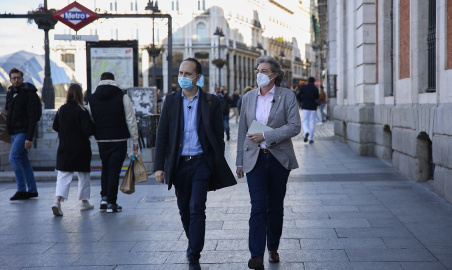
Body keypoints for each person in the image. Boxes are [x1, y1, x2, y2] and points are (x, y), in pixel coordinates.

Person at [154, 58, 236, 270]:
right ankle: (194, 243)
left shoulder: (211, 101)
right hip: (179, 164)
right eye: (180, 73)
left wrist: (213, 163)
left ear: (198, 78)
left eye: (188, 74)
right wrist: (159, 167)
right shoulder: (170, 101)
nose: (182, 77)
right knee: (184, 209)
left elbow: (218, 136)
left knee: (197, 207)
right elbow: (162, 135)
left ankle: (194, 254)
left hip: (201, 162)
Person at [236, 56, 301, 270]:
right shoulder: (248, 97)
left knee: (275, 207)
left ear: (274, 74)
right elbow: (242, 131)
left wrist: (266, 135)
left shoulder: (287, 96)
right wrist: (239, 161)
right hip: (253, 158)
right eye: (258, 70)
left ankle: (272, 247)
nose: (259, 74)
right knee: (258, 207)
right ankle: (256, 256)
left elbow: (294, 126)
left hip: (278, 158)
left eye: (263, 70)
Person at [88, 72, 139, 213]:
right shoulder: (122, 97)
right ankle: (111, 202)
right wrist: (135, 139)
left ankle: (104, 197)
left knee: (105, 167)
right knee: (114, 170)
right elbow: (131, 120)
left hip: (102, 139)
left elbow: (91, 119)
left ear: (101, 81)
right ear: (114, 81)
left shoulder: (92, 98)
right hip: (119, 139)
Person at [51, 83, 95, 216]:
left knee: (63, 176)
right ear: (80, 94)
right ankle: (84, 201)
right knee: (83, 176)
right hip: (81, 148)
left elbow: (55, 126)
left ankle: (57, 201)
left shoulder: (61, 109)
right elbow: (88, 130)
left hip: (65, 147)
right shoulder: (82, 110)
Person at [5, 68, 40, 200]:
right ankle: (32, 190)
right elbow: (9, 111)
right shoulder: (10, 92)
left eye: (18, 78)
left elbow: (32, 117)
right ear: (10, 79)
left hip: (23, 132)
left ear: (22, 79)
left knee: (13, 158)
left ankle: (21, 189)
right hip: (13, 132)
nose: (16, 80)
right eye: (14, 78)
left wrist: (29, 138)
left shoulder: (28, 93)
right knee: (24, 160)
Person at [297, 77, 320, 144]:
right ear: (314, 82)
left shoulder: (304, 87)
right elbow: (317, 97)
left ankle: (306, 132)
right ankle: (310, 138)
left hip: (305, 107)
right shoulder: (315, 88)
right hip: (313, 107)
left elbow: (298, 95)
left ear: (308, 81)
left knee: (304, 121)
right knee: (312, 122)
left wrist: (302, 101)